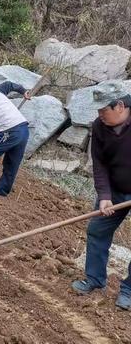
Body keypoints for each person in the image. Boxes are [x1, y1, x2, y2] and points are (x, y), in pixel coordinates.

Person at [71, 85, 131, 311]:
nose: (99, 116)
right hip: (114, 190)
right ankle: (95, 279)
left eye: (103, 110)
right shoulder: (100, 126)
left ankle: (129, 291)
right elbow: (99, 163)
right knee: (97, 229)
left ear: (120, 106)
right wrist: (105, 195)